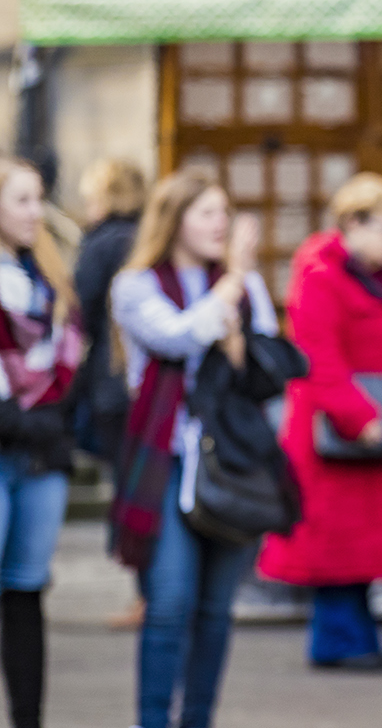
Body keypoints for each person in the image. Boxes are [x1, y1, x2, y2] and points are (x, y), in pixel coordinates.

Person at [110, 169, 276, 728]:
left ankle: (198, 719)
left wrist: (238, 340)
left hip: (230, 462)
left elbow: (268, 364)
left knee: (214, 611)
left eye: (224, 213)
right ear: (174, 218)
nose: (220, 224)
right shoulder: (136, 285)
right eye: (207, 212)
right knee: (169, 605)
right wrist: (233, 284)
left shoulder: (244, 286)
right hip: (165, 463)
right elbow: (178, 335)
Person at [257, 173, 382, 670]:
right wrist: (358, 418)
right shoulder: (320, 275)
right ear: (353, 223)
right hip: (338, 434)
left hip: (373, 429)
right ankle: (339, 641)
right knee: (336, 546)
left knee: (360, 547)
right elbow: (318, 357)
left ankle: (357, 638)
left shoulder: (378, 279)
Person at [0, 158, 81, 728]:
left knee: (26, 592)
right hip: (9, 441)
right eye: (23, 200)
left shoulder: (48, 281)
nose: (36, 213)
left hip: (41, 454)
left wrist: (50, 418)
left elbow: (72, 359)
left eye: (39, 200)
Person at [73, 159, 146, 472]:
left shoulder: (101, 244)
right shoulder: (149, 238)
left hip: (112, 375)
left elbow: (80, 313)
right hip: (152, 377)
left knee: (123, 478)